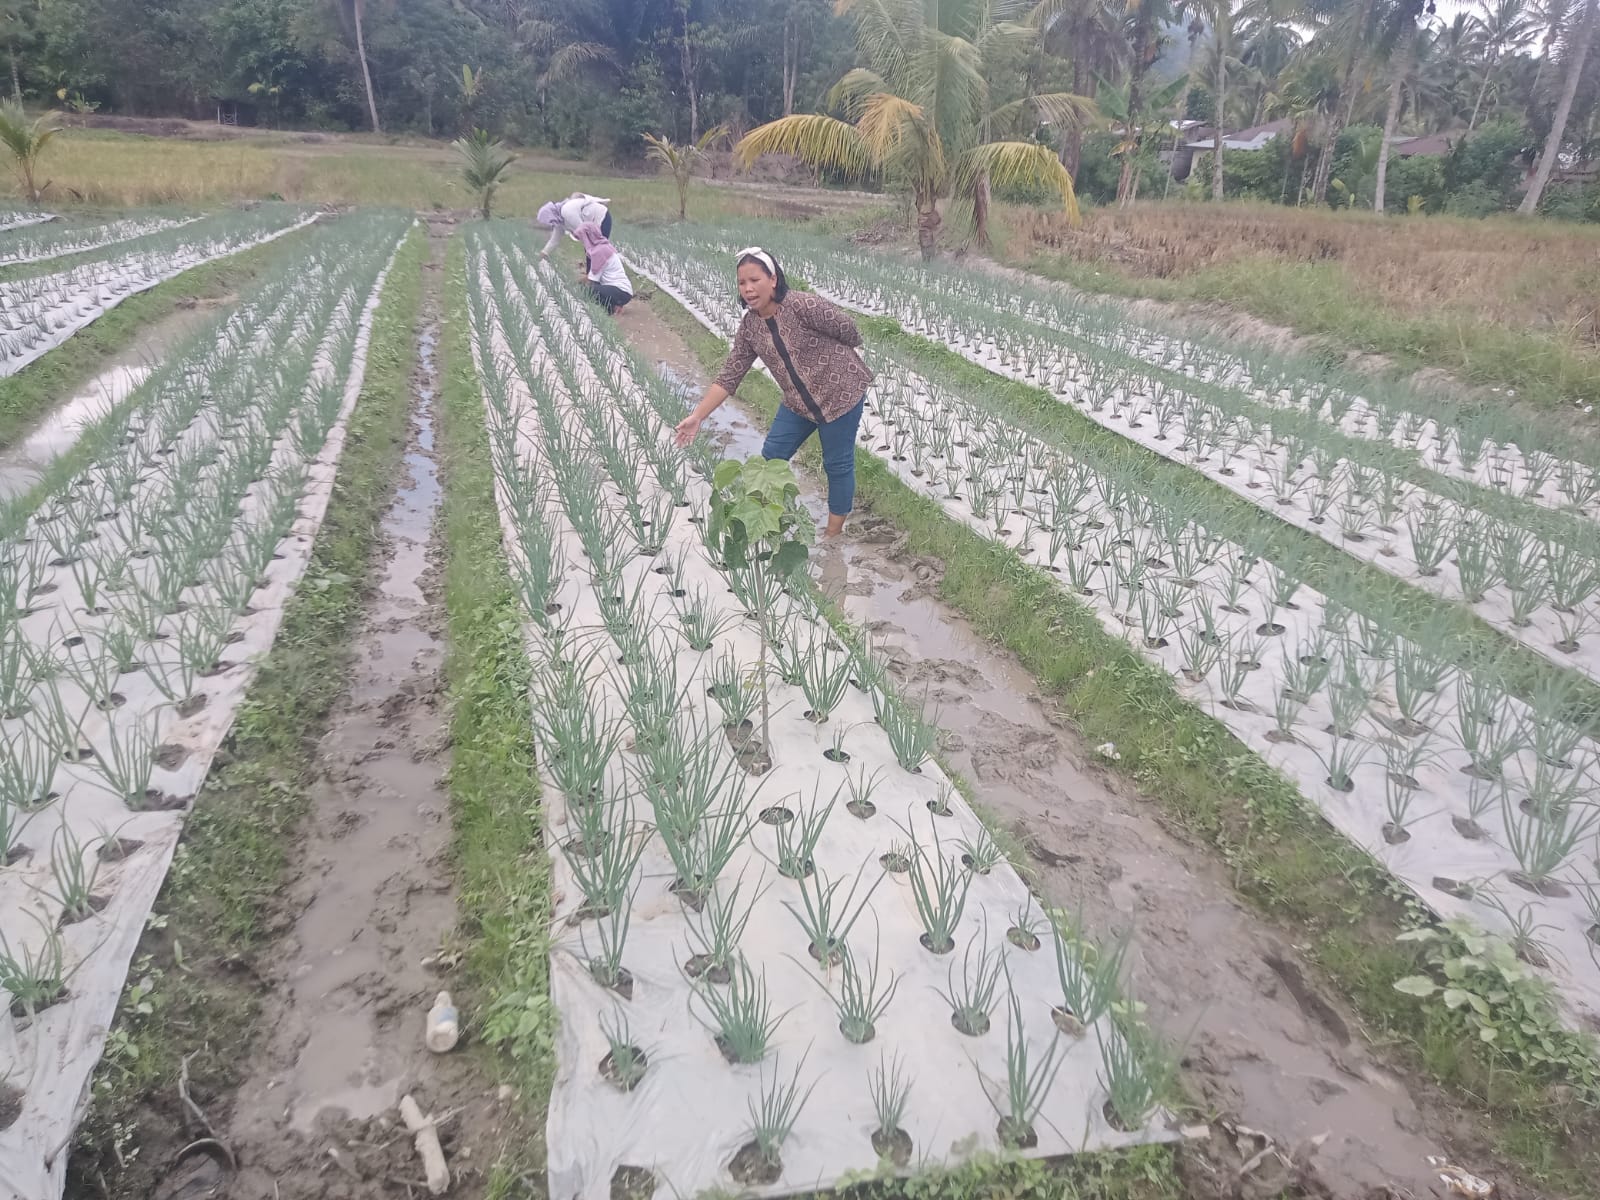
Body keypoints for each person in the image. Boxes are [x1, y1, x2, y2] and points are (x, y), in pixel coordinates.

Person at [675, 247, 872, 538]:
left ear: (773, 279)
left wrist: (835, 362)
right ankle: (763, 521)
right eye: (742, 283)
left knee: (837, 464)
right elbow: (730, 376)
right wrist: (698, 417)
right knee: (770, 459)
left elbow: (848, 329)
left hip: (840, 396)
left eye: (755, 280)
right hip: (797, 403)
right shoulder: (751, 327)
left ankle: (832, 535)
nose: (748, 289)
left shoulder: (803, 306)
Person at [536, 192, 611, 270]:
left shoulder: (567, 211)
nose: (550, 224)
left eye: (549, 221)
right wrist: (542, 255)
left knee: (596, 247)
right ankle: (593, 275)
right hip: (592, 223)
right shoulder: (560, 220)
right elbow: (554, 241)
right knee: (592, 248)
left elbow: (584, 230)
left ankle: (593, 276)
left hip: (602, 217)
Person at [575, 222, 633, 315]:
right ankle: (615, 306)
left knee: (587, 290)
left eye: (583, 238)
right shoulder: (603, 247)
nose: (583, 242)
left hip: (620, 291)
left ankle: (612, 309)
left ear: (589, 237)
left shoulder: (599, 252)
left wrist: (573, 285)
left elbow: (591, 280)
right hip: (620, 291)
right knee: (587, 288)